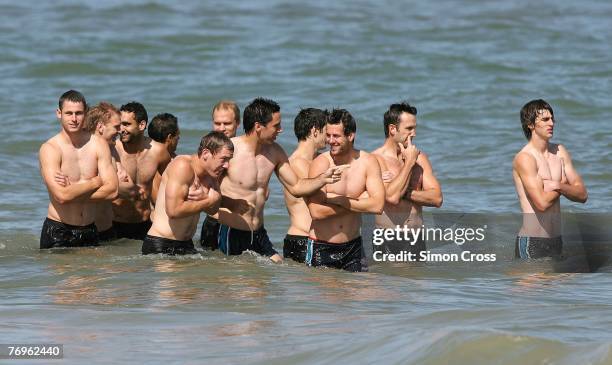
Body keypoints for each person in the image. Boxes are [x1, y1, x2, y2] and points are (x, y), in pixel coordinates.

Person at [200, 98, 345, 263]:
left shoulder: (275, 152)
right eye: (276, 126)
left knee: (279, 267)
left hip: (259, 233)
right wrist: (229, 203)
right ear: (258, 127)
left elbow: (296, 187)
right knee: (238, 284)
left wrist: (323, 178)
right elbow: (203, 190)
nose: (281, 130)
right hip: (233, 232)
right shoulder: (229, 150)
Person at [306, 109, 385, 272]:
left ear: (350, 136)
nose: (330, 141)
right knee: (322, 298)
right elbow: (316, 212)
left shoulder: (368, 162)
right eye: (328, 135)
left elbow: (377, 206)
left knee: (359, 295)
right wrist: (359, 201)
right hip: (322, 247)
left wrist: (339, 199)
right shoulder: (320, 164)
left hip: (353, 247)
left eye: (336, 136)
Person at [39, 90, 118, 249]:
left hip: (90, 229)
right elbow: (61, 196)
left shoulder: (98, 144)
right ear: (59, 113)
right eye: (69, 113)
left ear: (86, 113)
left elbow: (113, 191)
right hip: (59, 230)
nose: (74, 119)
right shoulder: (50, 149)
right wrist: (95, 182)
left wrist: (73, 191)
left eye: (78, 113)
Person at [512, 99, 587, 259]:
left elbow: (582, 195)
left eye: (552, 119)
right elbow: (542, 203)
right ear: (530, 124)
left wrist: (557, 185)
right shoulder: (525, 158)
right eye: (545, 119)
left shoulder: (560, 151)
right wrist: (565, 186)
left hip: (556, 241)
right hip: (532, 242)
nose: (551, 123)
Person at [371, 102, 442, 259]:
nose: (414, 133)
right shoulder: (375, 160)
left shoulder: (421, 158)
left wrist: (404, 191)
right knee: (392, 282)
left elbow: (437, 198)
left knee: (415, 281)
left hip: (416, 239)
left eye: (415, 128)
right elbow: (392, 198)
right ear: (392, 129)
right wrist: (409, 162)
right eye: (409, 128)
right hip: (388, 239)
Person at [143, 132, 233, 255]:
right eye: (224, 159)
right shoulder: (182, 166)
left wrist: (208, 199)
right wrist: (207, 201)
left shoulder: (211, 173)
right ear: (206, 153)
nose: (227, 165)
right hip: (161, 244)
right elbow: (173, 211)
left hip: (187, 244)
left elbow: (213, 210)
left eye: (229, 160)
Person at [112, 102, 172, 240]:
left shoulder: (158, 152)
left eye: (126, 124)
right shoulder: (113, 149)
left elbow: (170, 183)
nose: (121, 129)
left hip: (144, 224)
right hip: (114, 224)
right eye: (120, 124)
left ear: (141, 125)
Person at [282, 108, 328, 263]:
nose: (328, 138)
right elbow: (322, 198)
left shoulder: (319, 160)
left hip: (316, 240)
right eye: (326, 132)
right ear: (315, 131)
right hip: (301, 240)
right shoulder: (297, 163)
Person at [148, 113, 180, 205]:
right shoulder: (156, 164)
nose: (179, 138)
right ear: (169, 138)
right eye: (177, 135)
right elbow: (158, 201)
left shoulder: (146, 156)